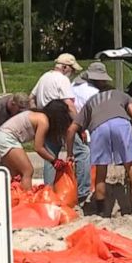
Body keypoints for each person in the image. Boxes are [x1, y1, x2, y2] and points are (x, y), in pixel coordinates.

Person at [66, 89, 132, 217]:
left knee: (101, 170)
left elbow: (71, 130)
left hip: (99, 128)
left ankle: (101, 211)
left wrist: (70, 153)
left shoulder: (90, 102)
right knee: (131, 165)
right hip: (121, 124)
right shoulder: (121, 95)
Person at [29, 53, 91, 203]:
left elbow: (31, 98)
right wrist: (79, 124)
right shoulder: (62, 80)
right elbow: (69, 104)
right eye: (72, 70)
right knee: (83, 152)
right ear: (64, 67)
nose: (72, 73)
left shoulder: (44, 77)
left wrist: (38, 113)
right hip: (61, 120)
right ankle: (83, 192)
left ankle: (49, 192)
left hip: (46, 120)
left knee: (50, 156)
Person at [0, 100, 72, 190]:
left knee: (16, 175)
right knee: (27, 171)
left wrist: (53, 160)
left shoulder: (38, 115)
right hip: (6, 138)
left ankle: (14, 198)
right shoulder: (43, 121)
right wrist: (54, 161)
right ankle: (27, 200)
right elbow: (38, 147)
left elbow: (41, 145)